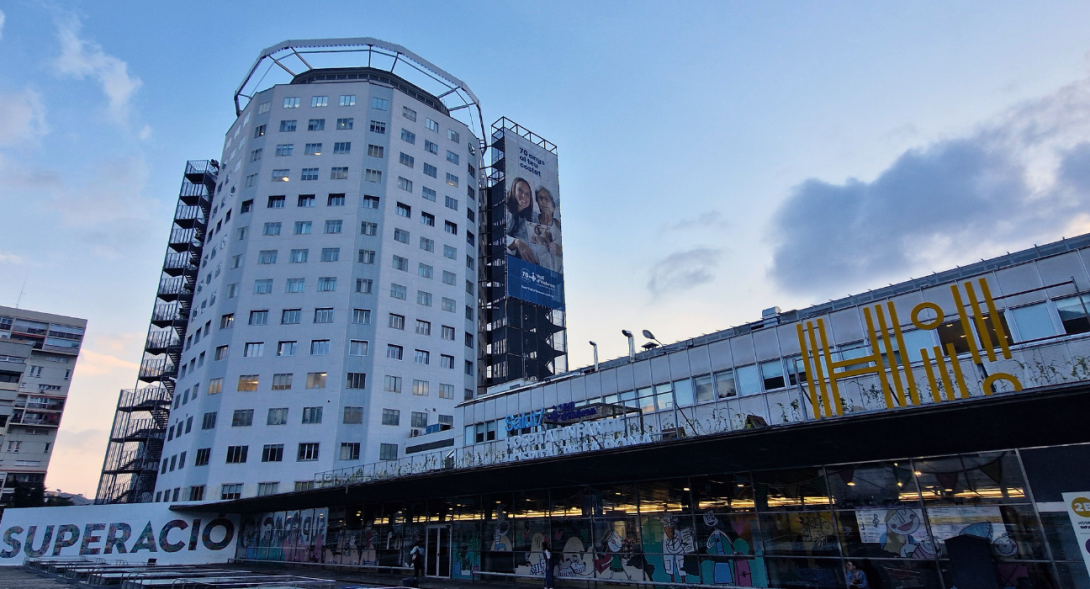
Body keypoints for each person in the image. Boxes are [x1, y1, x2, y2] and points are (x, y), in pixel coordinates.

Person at [505, 177, 538, 264]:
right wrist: (516, 242)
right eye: (520, 190)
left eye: (527, 194)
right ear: (513, 190)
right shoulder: (503, 208)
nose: (524, 196)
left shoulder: (526, 218)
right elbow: (496, 236)